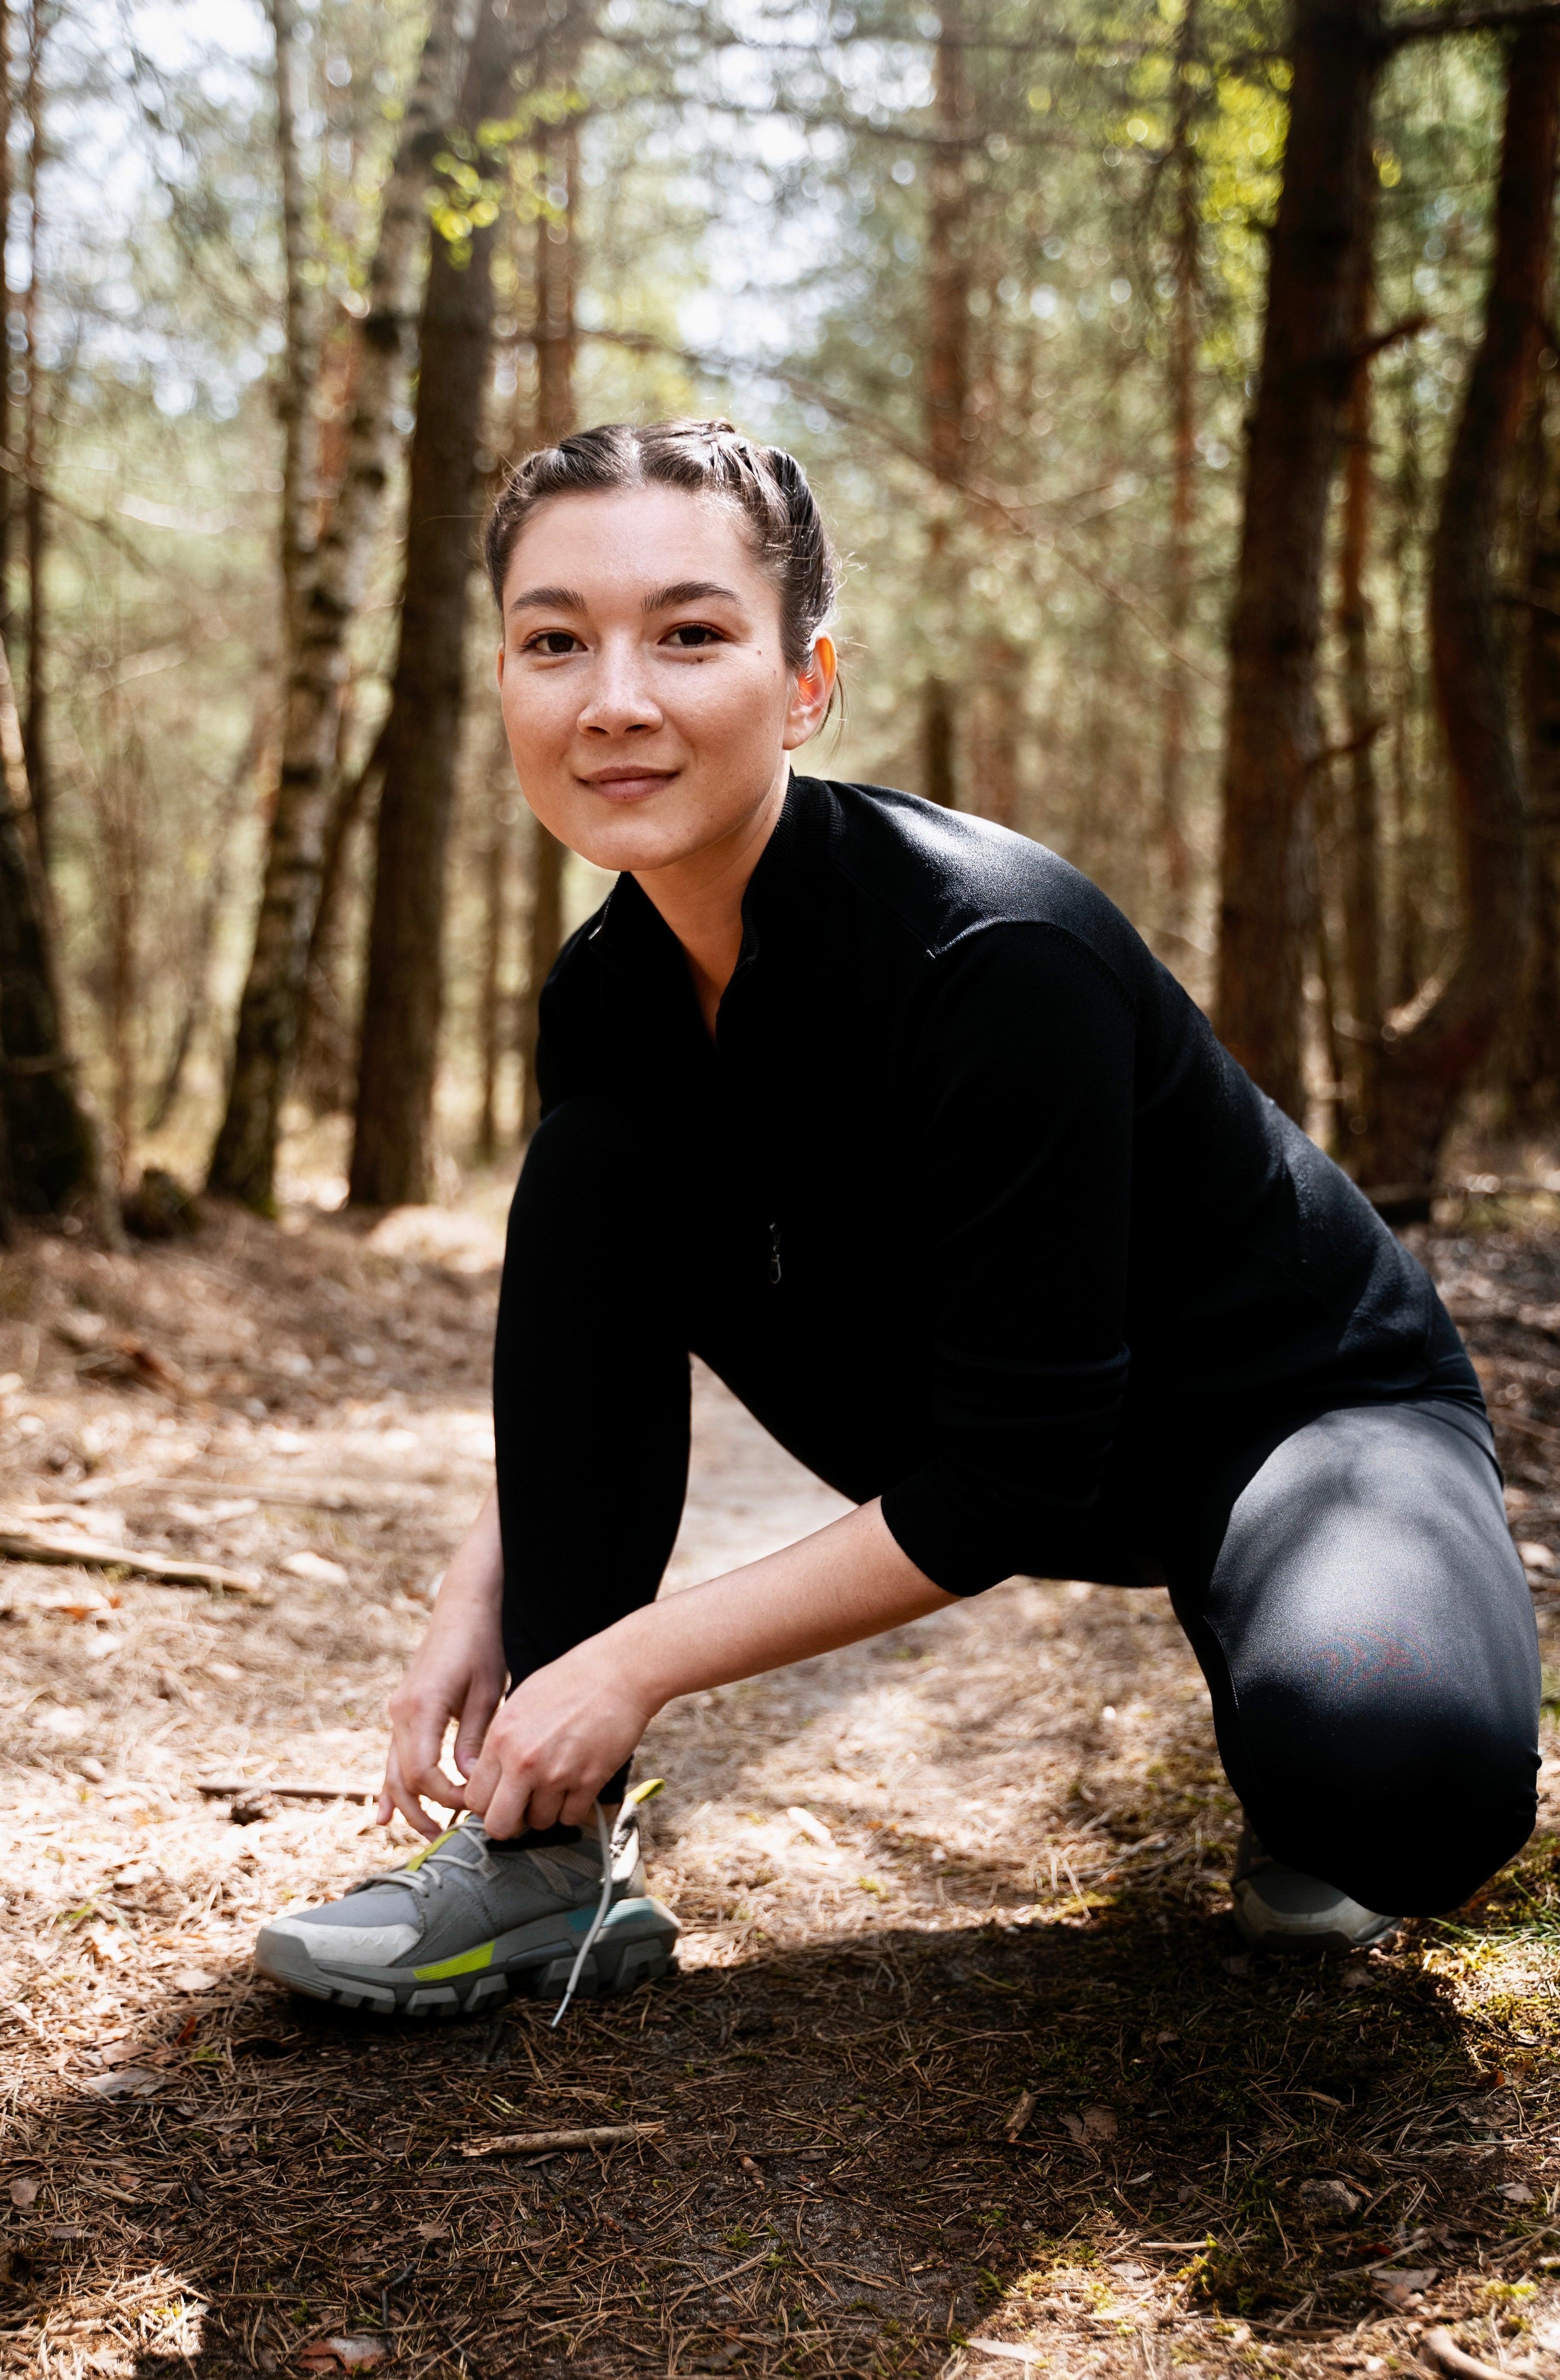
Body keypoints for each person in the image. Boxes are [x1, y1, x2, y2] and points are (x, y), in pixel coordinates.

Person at [254, 418, 1540, 2019]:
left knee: (1400, 1781)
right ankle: (546, 1867)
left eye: (693, 633)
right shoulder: (606, 994)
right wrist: (494, 1596)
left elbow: (1010, 1479)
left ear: (807, 682)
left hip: (1296, 1415)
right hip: (1002, 1420)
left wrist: (625, 1660)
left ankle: (1302, 1656)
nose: (617, 700)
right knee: (592, 1161)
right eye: (555, 641)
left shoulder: (999, 950)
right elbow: (603, 1323)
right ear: (505, 684)